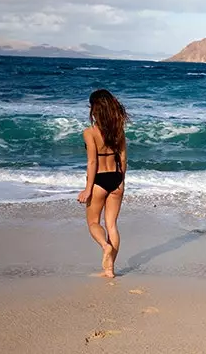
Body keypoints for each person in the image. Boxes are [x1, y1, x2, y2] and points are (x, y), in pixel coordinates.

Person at [77, 89, 128, 278]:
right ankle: (110, 270)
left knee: (93, 222)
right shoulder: (118, 130)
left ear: (94, 109)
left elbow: (92, 162)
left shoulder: (90, 133)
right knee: (112, 225)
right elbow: (123, 159)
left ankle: (105, 246)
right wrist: (121, 181)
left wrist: (87, 189)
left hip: (99, 180)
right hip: (116, 178)